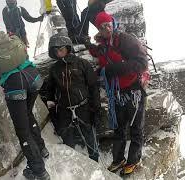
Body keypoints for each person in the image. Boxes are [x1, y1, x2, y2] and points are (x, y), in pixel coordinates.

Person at [0, 28, 50, 180]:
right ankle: (42, 149)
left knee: (22, 129)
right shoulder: (5, 40)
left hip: (15, 86)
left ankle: (38, 170)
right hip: (33, 77)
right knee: (28, 114)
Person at [87, 12, 148, 175]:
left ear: (112, 23)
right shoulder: (105, 44)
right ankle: (118, 159)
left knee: (136, 128)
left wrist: (114, 69)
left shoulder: (125, 40)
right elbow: (100, 54)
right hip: (118, 93)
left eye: (108, 24)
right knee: (119, 129)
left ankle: (134, 160)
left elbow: (142, 63)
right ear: (99, 29)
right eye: (102, 26)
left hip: (134, 91)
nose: (106, 28)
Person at [45, 34, 100, 162]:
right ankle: (72, 165)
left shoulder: (82, 63)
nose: (59, 52)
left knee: (90, 137)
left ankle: (95, 163)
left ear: (68, 48)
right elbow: (50, 89)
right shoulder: (54, 69)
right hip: (64, 110)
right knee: (67, 141)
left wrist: (95, 108)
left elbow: (93, 86)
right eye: (56, 50)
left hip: (83, 106)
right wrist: (52, 109)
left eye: (61, 49)